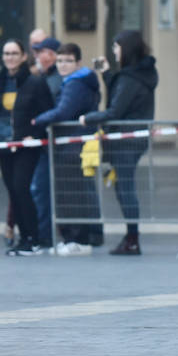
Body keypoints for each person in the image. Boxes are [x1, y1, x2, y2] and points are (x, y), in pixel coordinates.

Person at [80, 30, 158, 255]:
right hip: (133, 137)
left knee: (125, 187)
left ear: (126, 49)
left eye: (116, 47)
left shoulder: (129, 78)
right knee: (124, 186)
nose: (114, 51)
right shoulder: (141, 74)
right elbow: (122, 96)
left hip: (125, 138)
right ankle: (131, 236)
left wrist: (87, 118)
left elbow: (116, 109)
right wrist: (106, 74)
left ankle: (132, 237)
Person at [34, 42, 103, 254]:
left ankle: (78, 239)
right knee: (78, 191)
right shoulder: (76, 81)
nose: (63, 65)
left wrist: (38, 120)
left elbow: (63, 111)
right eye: (61, 61)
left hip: (72, 145)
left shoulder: (76, 84)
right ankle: (81, 237)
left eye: (68, 61)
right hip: (74, 145)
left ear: (78, 63)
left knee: (72, 193)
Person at [0, 40, 54, 255]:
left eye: (14, 53)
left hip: (26, 145)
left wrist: (34, 135)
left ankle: (33, 238)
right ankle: (23, 237)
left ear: (24, 56)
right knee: (13, 192)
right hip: (3, 143)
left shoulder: (35, 83)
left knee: (21, 188)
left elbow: (47, 113)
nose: (10, 57)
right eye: (6, 53)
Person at [29, 36, 64, 249]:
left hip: (47, 140)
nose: (37, 56)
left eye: (40, 51)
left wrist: (37, 121)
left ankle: (44, 235)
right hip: (42, 140)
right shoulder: (44, 77)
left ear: (51, 55)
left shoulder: (54, 80)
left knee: (41, 189)